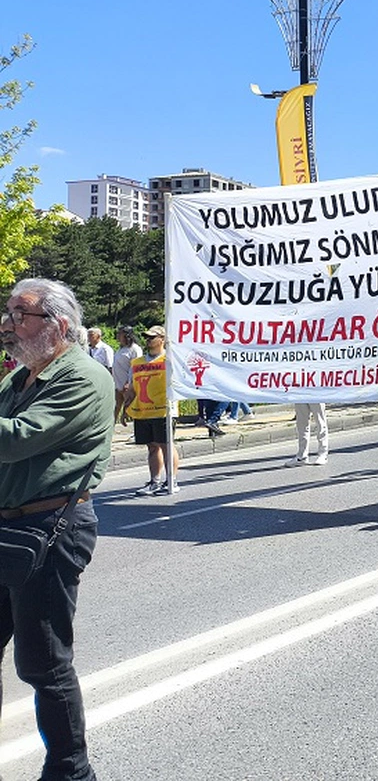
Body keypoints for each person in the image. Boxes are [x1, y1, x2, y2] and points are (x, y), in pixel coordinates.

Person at [0, 278, 112, 781]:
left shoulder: (84, 376)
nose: (7, 325)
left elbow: (18, 440)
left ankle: (71, 771)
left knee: (43, 664)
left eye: (19, 315)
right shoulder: (18, 377)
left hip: (50, 528)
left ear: (58, 325)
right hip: (7, 527)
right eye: (6, 313)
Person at [124, 325, 179, 494]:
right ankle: (154, 481)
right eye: (147, 337)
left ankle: (172, 481)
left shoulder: (169, 360)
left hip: (164, 410)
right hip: (143, 411)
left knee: (166, 445)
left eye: (152, 337)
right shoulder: (137, 363)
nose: (148, 340)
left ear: (162, 339)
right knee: (152, 446)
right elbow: (132, 388)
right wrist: (125, 408)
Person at [112, 325, 142, 424]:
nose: (118, 336)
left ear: (126, 335)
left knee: (130, 408)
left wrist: (129, 382)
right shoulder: (121, 349)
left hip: (128, 385)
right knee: (115, 408)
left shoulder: (134, 349)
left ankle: (137, 429)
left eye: (120, 333)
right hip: (117, 384)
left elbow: (135, 367)